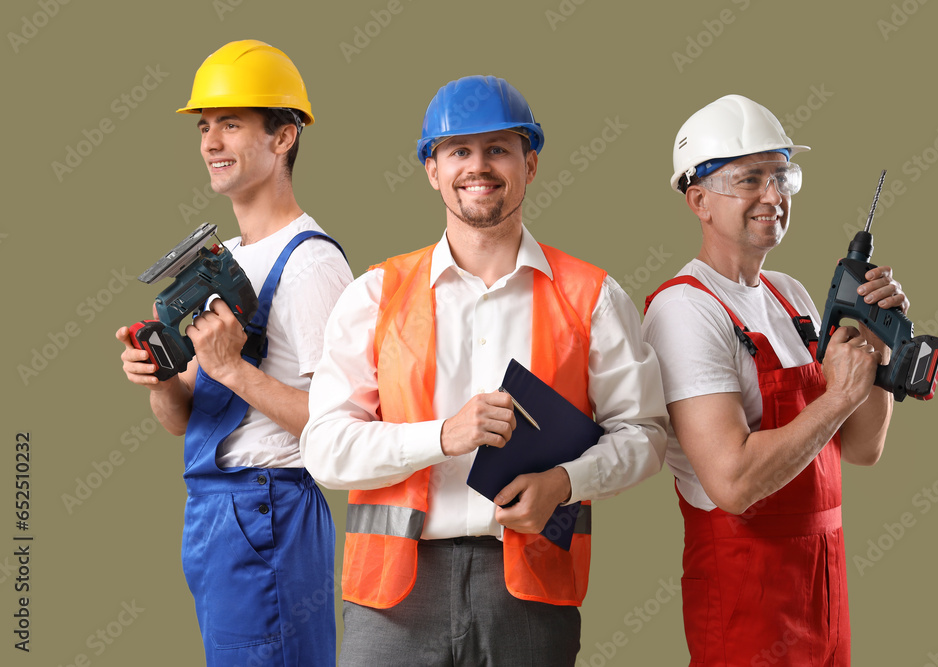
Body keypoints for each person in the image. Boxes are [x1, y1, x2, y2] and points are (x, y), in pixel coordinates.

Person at [299, 75, 668, 666]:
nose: (479, 166)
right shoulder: (378, 295)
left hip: (530, 590)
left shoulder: (591, 296)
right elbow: (323, 448)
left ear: (531, 163)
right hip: (394, 593)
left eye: (498, 148)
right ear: (431, 168)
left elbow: (646, 435)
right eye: (459, 151)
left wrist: (564, 483)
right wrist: (443, 435)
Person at [642, 94, 910, 665]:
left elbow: (862, 448)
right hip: (746, 593)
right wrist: (838, 393)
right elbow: (733, 482)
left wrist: (878, 349)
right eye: (749, 179)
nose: (774, 195)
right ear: (699, 200)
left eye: (782, 175)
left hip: (825, 583)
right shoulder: (685, 310)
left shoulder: (791, 296)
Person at [114, 40, 351, 666]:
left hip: (272, 508)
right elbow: (185, 424)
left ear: (284, 137)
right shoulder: (230, 261)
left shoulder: (312, 265)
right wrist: (161, 380)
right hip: (215, 510)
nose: (211, 142)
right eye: (205, 126)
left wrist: (228, 367)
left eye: (232, 124)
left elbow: (342, 426)